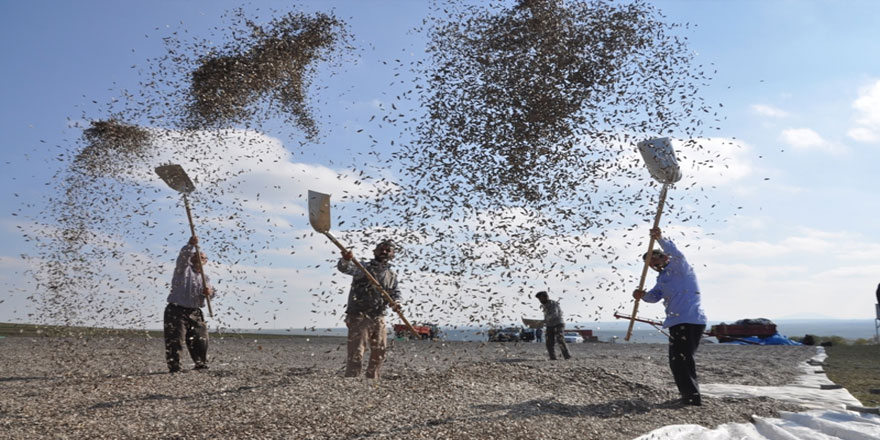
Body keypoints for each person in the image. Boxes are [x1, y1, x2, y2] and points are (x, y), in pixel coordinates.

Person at [633, 227, 707, 406]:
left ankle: (691, 397)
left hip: (690, 320)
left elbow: (675, 253)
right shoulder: (662, 279)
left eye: (655, 260)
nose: (654, 266)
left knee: (682, 359)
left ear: (664, 257)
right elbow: (655, 296)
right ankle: (688, 395)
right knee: (677, 360)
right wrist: (641, 296)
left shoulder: (681, 269)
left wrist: (660, 239)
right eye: (650, 265)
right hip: (676, 321)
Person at [337, 240, 401, 379]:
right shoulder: (363, 268)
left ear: (392, 255)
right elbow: (345, 268)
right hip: (359, 315)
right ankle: (351, 381)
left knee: (380, 351)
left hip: (379, 316)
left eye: (387, 250)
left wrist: (396, 303)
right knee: (356, 351)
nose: (384, 252)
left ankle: (372, 380)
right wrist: (346, 260)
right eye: (381, 249)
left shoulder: (391, 275)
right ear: (374, 251)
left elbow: (395, 293)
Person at [164, 236, 214, 373]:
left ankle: (200, 363)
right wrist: (190, 245)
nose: (199, 259)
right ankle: (175, 367)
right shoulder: (183, 271)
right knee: (176, 340)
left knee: (200, 338)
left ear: (205, 262)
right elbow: (182, 259)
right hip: (176, 309)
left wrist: (208, 292)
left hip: (195, 311)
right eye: (196, 257)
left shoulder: (205, 278)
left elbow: (212, 294)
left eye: (202, 258)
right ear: (191, 259)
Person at [535, 291, 571, 360]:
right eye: (539, 299)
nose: (540, 300)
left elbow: (554, 314)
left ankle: (567, 356)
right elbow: (546, 316)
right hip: (549, 325)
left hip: (558, 324)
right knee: (549, 341)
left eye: (540, 298)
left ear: (545, 297)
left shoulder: (553, 303)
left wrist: (545, 320)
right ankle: (553, 357)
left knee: (560, 339)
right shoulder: (544, 305)